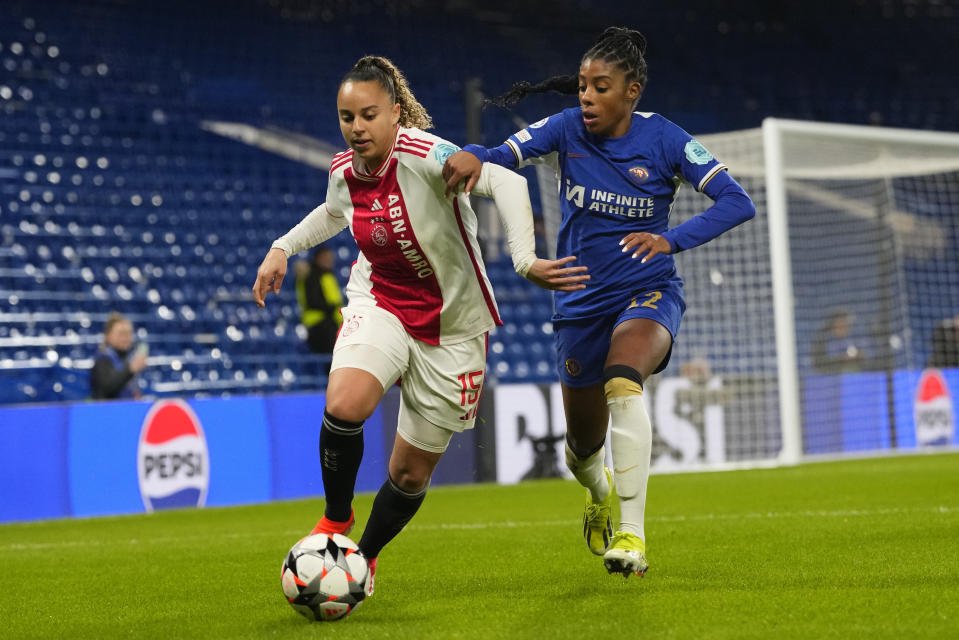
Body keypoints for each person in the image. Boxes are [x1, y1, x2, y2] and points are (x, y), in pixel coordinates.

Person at [252, 55, 588, 596]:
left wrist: (525, 261)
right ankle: (336, 520)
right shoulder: (346, 169)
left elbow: (506, 182)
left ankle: (362, 560)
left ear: (395, 114)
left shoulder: (429, 156)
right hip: (381, 300)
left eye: (367, 115)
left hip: (453, 327)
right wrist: (282, 247)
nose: (356, 128)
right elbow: (335, 212)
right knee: (344, 403)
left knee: (409, 475)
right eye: (346, 117)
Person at [442, 27, 756, 578]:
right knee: (582, 448)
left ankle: (632, 536)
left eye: (600, 86)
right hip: (580, 304)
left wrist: (671, 239)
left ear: (631, 91)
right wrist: (473, 154)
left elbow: (737, 200)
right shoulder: (566, 129)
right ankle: (597, 493)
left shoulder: (666, 141)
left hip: (647, 290)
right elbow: (501, 154)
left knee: (623, 379)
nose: (585, 95)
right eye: (582, 85)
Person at [294, 245, 344, 355]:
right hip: (319, 323)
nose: (330, 261)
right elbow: (313, 301)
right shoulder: (311, 275)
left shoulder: (327, 274)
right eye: (326, 258)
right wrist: (332, 307)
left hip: (333, 321)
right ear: (319, 258)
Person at [90, 311, 148, 400]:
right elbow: (106, 389)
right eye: (121, 333)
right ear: (108, 336)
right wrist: (130, 369)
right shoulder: (102, 359)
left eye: (128, 333)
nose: (125, 338)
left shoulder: (128, 358)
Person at [811, 309, 868, 374]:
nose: (845, 328)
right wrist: (842, 358)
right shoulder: (822, 339)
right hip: (830, 374)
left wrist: (860, 356)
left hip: (850, 374)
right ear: (834, 325)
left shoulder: (851, 340)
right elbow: (819, 363)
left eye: (846, 325)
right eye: (841, 324)